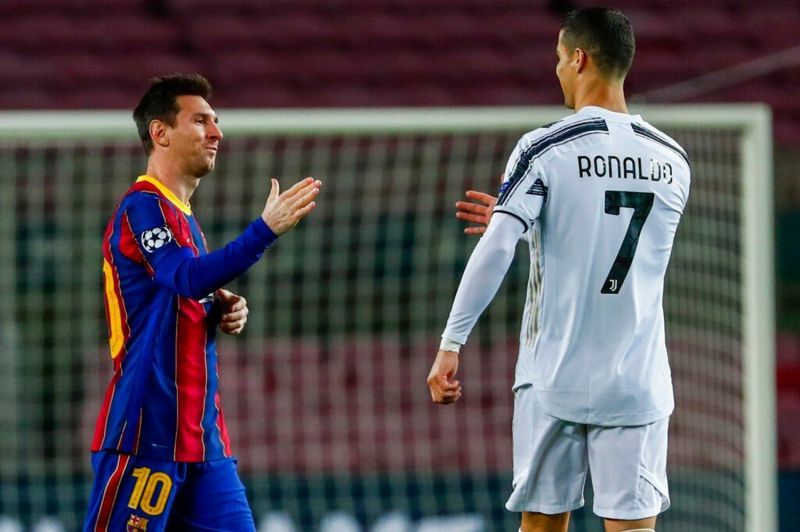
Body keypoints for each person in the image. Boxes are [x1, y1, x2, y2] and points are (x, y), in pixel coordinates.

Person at [427, 8, 690, 532]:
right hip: (637, 379)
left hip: (556, 373)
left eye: (557, 59)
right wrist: (529, 223)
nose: (556, 71)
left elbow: (498, 248)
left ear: (579, 57)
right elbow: (613, 244)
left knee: (543, 526)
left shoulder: (546, 145)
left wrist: (451, 343)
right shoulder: (673, 159)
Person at [84, 74, 321, 531]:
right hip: (147, 434)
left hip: (202, 442)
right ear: (160, 132)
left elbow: (179, 294)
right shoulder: (143, 207)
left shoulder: (185, 218)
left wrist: (218, 309)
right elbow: (185, 278)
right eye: (201, 121)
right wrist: (263, 230)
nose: (217, 133)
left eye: (216, 121)